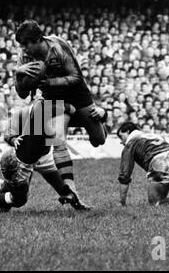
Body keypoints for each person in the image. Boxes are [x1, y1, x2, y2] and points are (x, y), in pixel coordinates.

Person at [14, 20, 107, 198]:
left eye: (26, 44)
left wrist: (49, 81)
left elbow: (76, 77)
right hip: (53, 97)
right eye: (21, 45)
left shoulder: (58, 47)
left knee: (98, 140)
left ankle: (102, 117)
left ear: (38, 39)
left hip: (77, 94)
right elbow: (21, 93)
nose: (24, 49)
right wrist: (19, 73)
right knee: (57, 139)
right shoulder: (24, 57)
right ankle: (70, 188)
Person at [0, 98, 91, 213]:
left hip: (44, 157)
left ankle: (78, 205)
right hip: (24, 159)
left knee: (63, 190)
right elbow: (8, 135)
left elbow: (70, 117)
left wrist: (72, 109)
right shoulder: (25, 113)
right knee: (19, 199)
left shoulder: (51, 110)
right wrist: (13, 139)